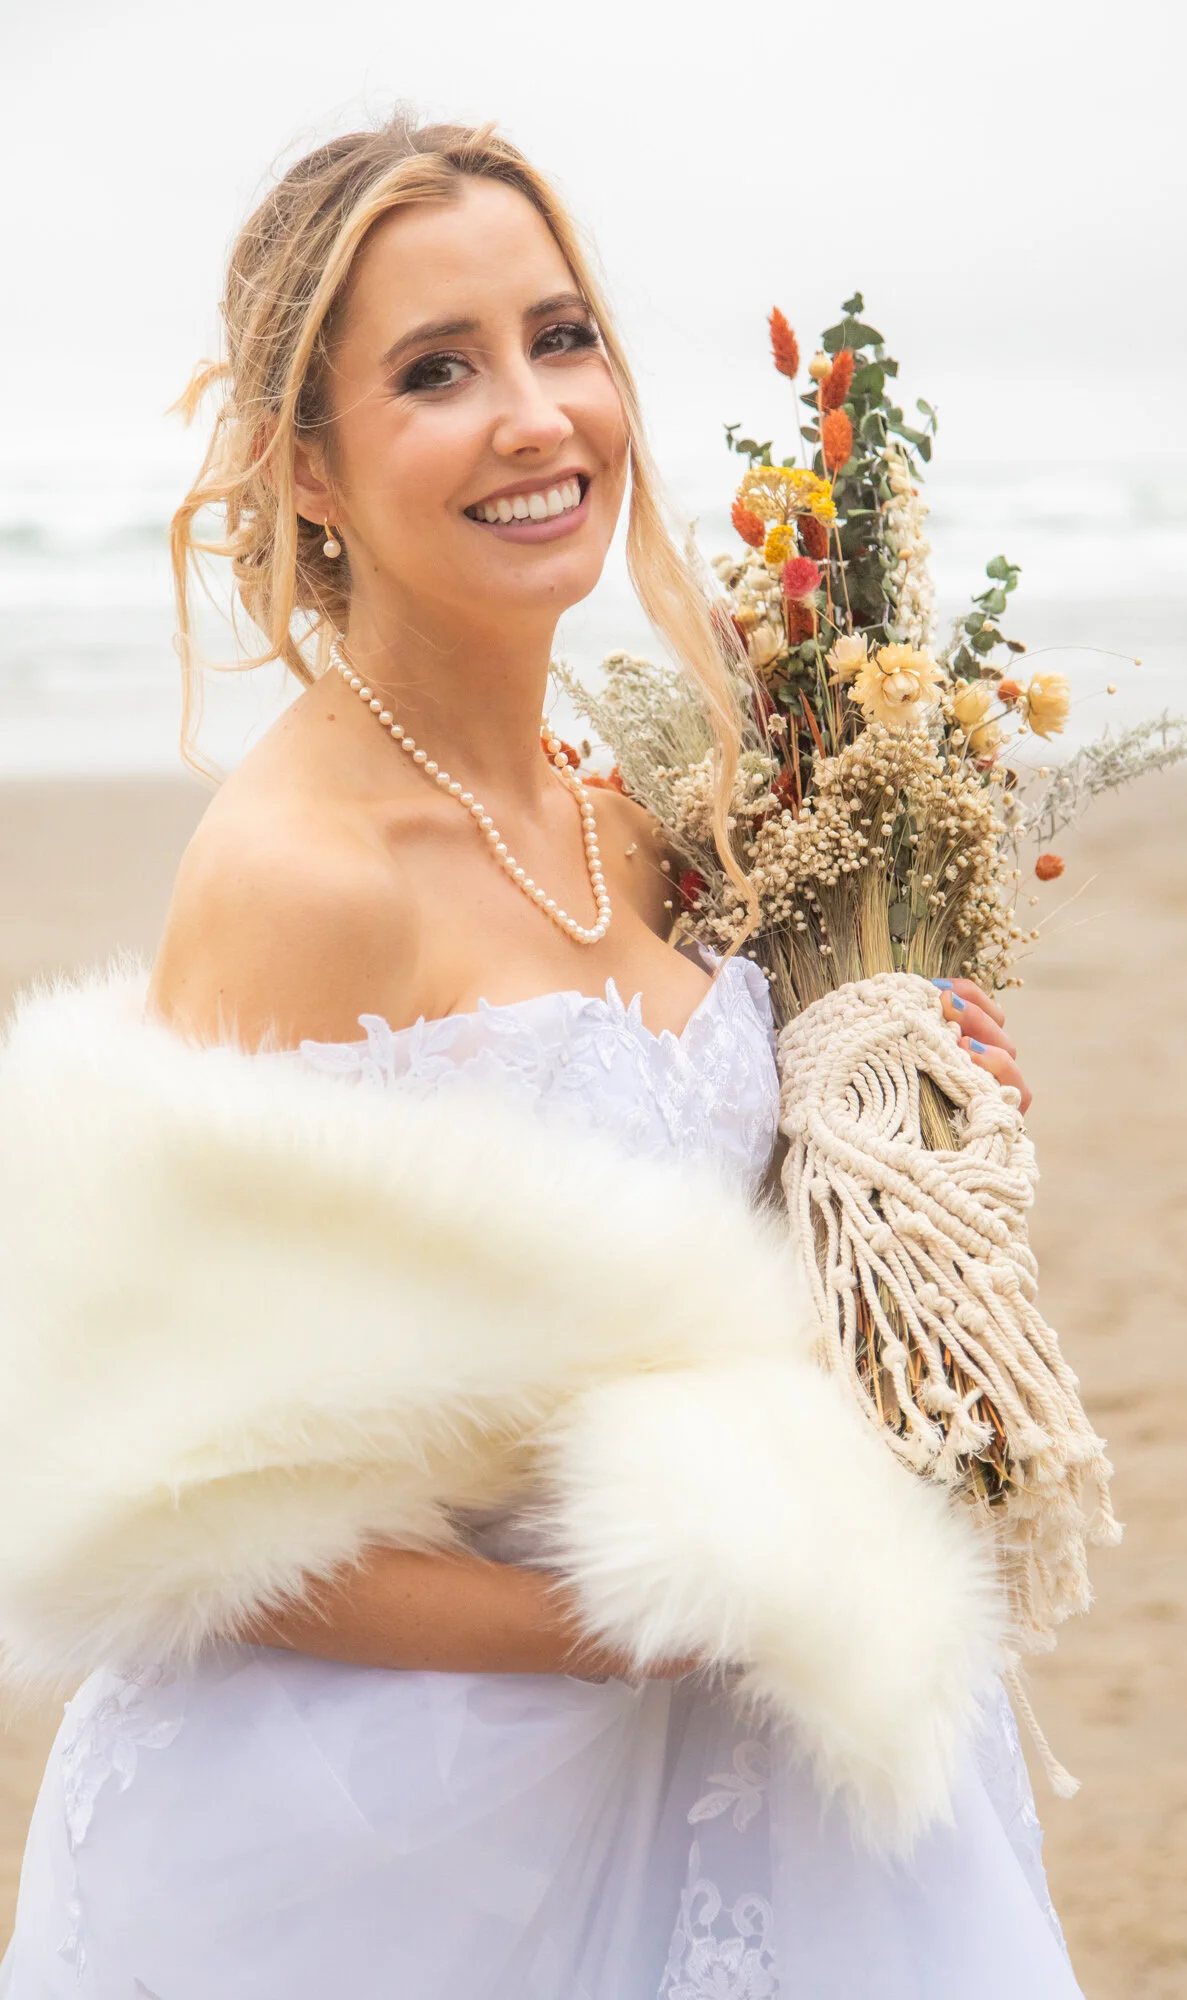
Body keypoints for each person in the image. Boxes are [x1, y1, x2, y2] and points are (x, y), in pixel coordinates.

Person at [0, 116, 1077, 1997]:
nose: (534, 417)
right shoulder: (300, 881)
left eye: (560, 337)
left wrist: (900, 1125)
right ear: (299, 468)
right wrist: (666, 1609)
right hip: (403, 1847)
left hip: (755, 1781)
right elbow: (188, 1514)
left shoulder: (644, 817)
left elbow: (709, 1268)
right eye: (436, 370)